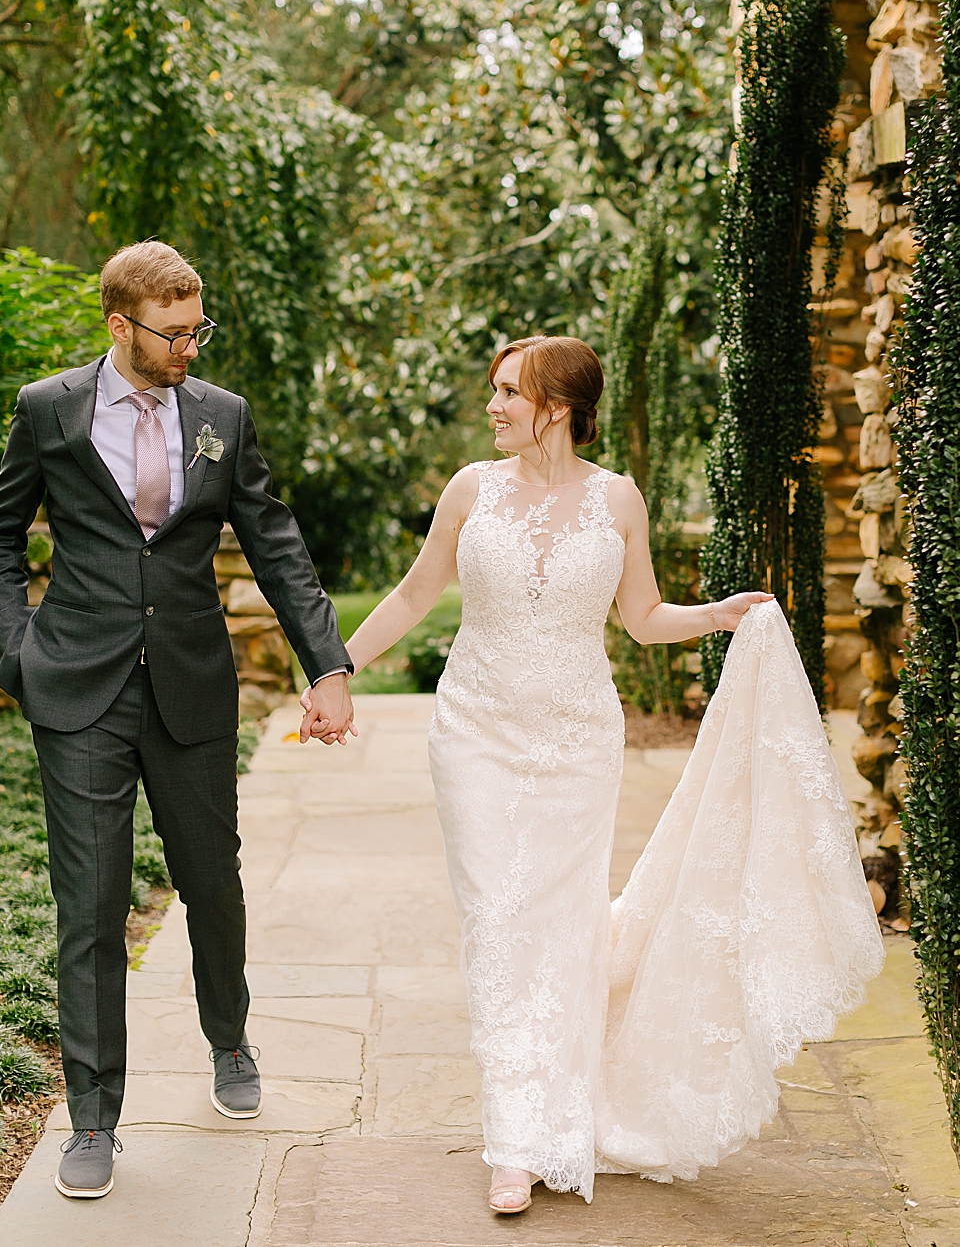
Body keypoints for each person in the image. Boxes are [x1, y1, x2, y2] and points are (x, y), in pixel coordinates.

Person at [338, 333, 881, 1214]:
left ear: (557, 405)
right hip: (473, 734)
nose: (494, 405)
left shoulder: (616, 499)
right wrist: (336, 672)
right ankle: (516, 1138)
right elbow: (409, 593)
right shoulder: (471, 489)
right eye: (495, 391)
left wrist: (718, 615)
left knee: (558, 927)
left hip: (576, 745)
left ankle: (552, 1111)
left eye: (510, 391)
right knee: (498, 919)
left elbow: (641, 616)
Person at [0, 240, 355, 1201]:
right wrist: (17, 651)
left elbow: (275, 543)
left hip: (190, 685)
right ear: (120, 325)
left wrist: (329, 665)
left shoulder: (221, 416)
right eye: (173, 332)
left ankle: (229, 1041)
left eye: (198, 330)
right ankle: (94, 1116)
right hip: (79, 688)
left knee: (210, 883)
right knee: (91, 903)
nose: (190, 347)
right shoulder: (48, 409)